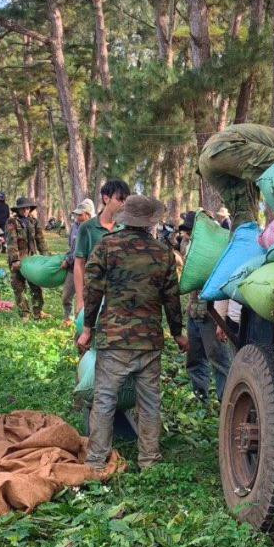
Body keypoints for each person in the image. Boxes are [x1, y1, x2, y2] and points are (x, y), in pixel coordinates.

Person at [78, 195, 187, 471]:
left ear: (126, 218)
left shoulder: (106, 247)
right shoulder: (163, 253)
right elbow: (171, 298)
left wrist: (87, 328)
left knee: (104, 400)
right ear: (150, 222)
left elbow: (93, 292)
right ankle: (149, 459)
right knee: (149, 403)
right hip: (149, 341)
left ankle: (95, 461)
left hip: (114, 339)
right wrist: (178, 333)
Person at [174, 214, 223, 402]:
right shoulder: (190, 247)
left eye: (189, 231)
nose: (186, 235)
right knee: (195, 359)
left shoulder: (214, 249)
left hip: (211, 314)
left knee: (219, 360)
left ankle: (225, 401)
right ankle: (201, 398)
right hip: (194, 311)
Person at [73, 179, 131, 316]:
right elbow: (79, 264)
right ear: (106, 198)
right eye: (120, 199)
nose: (123, 204)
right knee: (86, 334)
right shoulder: (87, 228)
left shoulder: (127, 228)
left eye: (126, 200)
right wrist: (80, 300)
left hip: (119, 296)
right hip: (92, 293)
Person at [6, 196, 49, 319]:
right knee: (19, 287)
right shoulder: (12, 222)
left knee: (36, 286)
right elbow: (11, 241)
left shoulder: (33, 221)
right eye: (23, 208)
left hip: (32, 260)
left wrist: (46, 256)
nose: (25, 210)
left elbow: (40, 239)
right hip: (18, 260)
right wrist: (15, 259)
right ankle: (24, 313)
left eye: (27, 208)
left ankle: (37, 311)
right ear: (18, 210)